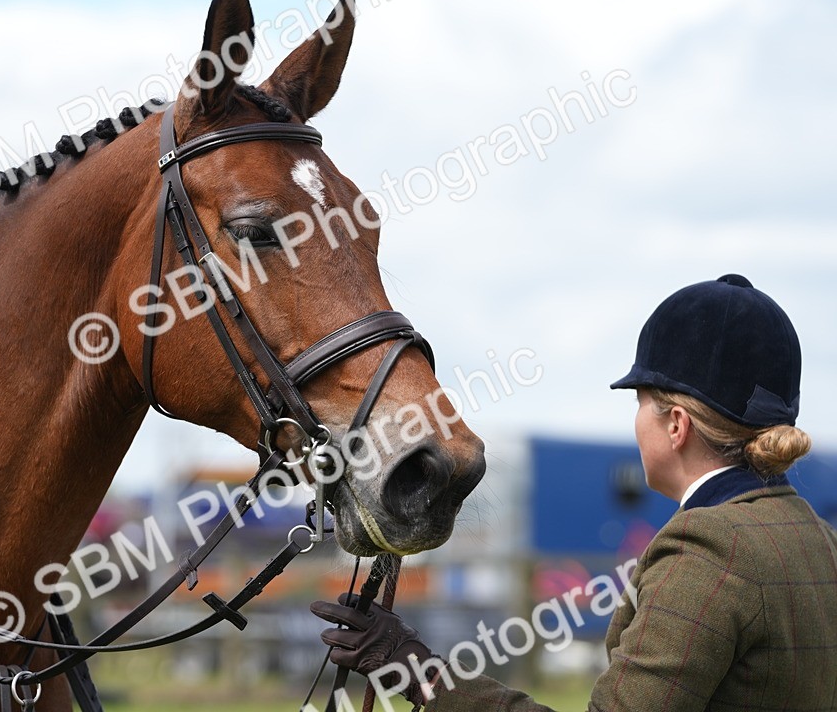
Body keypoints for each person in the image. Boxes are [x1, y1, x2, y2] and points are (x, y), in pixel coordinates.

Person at [311, 274, 837, 710]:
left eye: (640, 402)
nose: (636, 421)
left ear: (676, 425)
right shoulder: (820, 539)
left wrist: (420, 673)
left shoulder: (709, 550)